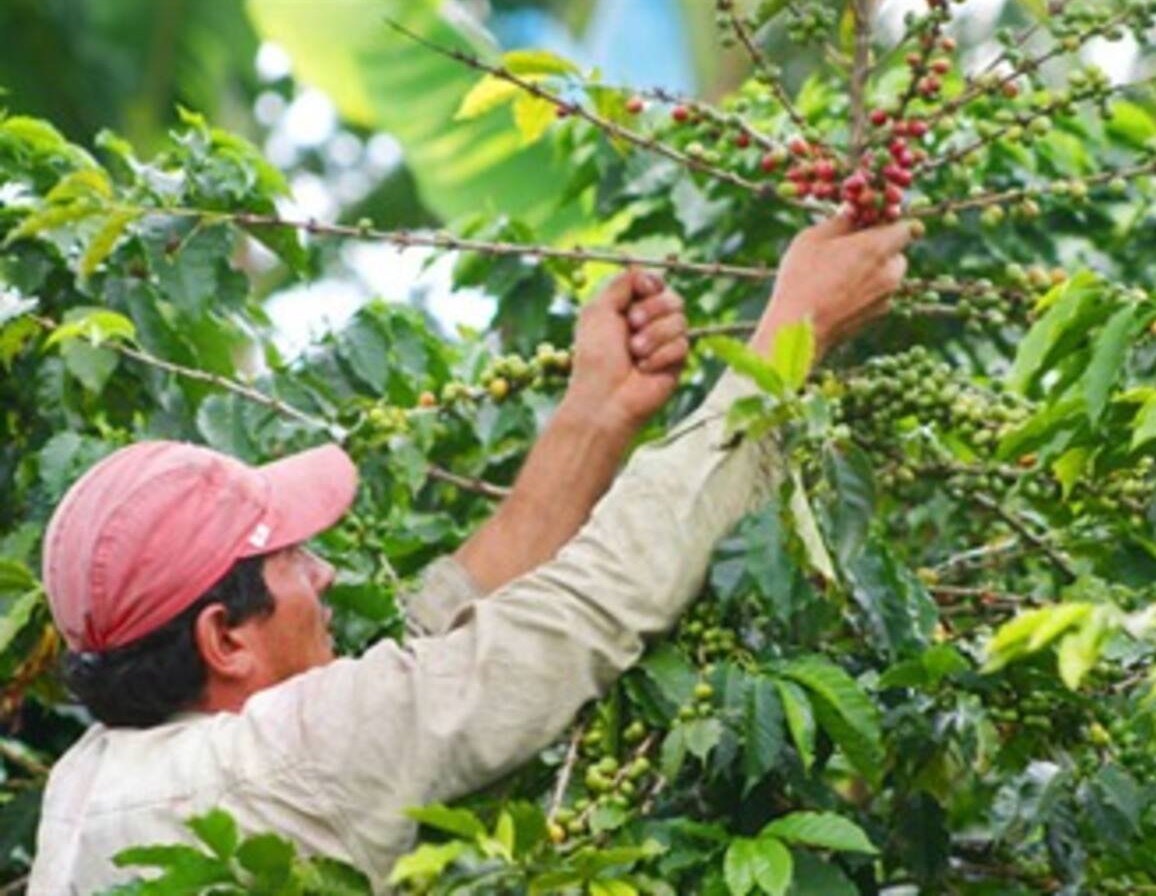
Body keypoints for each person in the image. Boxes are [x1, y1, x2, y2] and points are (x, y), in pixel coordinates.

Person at [28, 212, 910, 893]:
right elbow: (581, 611)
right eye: (292, 561)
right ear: (224, 638)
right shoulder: (291, 761)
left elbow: (429, 663)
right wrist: (792, 334)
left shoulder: (89, 783)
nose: (325, 574)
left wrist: (597, 414)